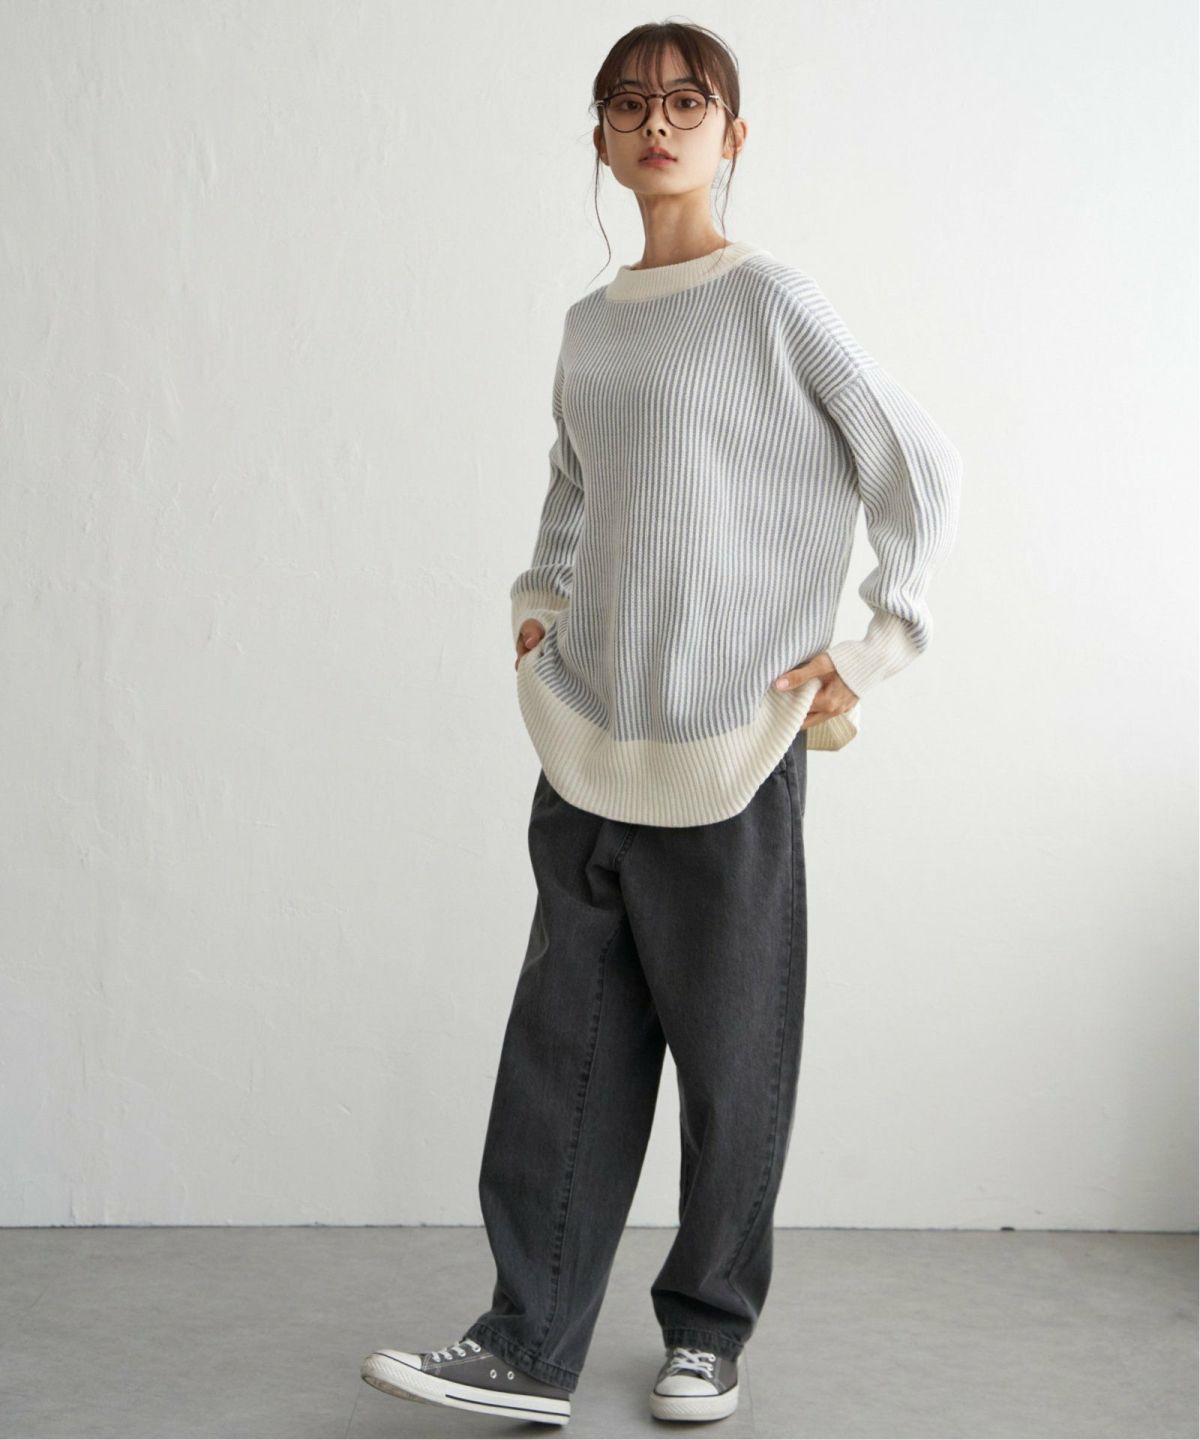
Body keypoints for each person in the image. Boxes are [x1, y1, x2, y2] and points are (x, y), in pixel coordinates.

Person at [361, 19, 962, 1429]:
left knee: (731, 1063)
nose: (657, 124)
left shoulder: (773, 301)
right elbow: (574, 493)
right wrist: (538, 604)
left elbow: (918, 466)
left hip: (731, 748)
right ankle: (527, 1346)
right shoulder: (592, 326)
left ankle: (707, 1333)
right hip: (592, 745)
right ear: (600, 137)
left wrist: (874, 648)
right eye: (629, 104)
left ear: (732, 136)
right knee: (560, 1063)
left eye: (688, 103)